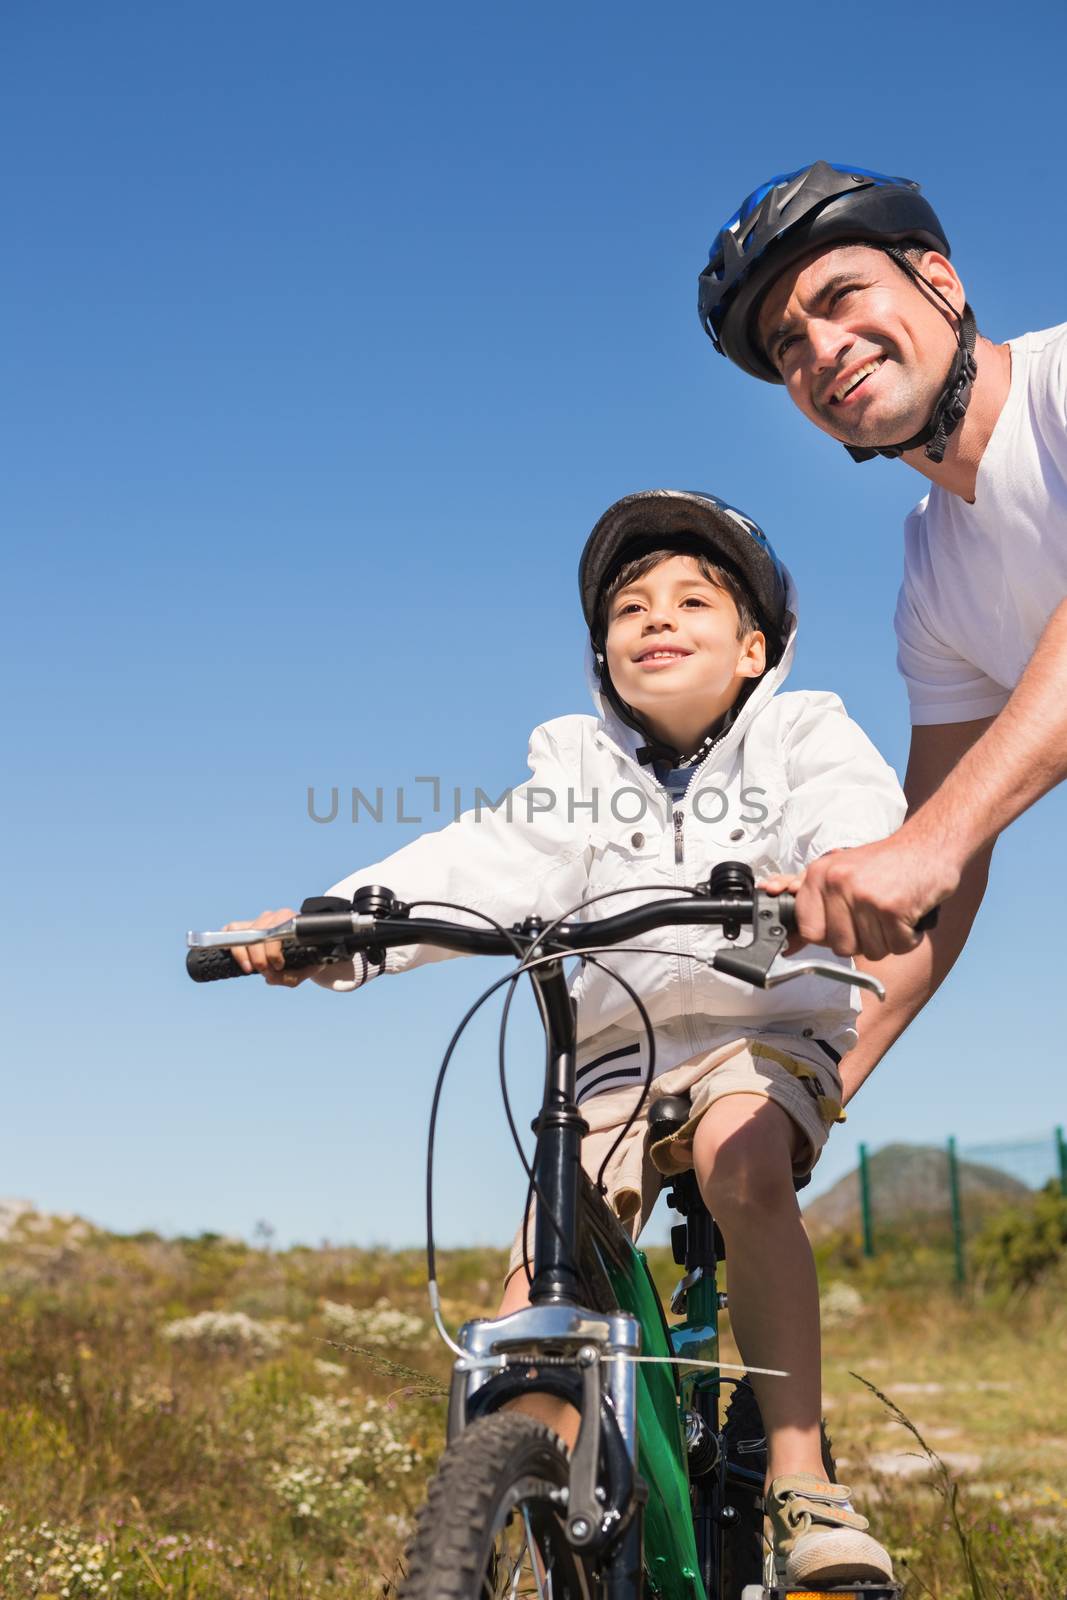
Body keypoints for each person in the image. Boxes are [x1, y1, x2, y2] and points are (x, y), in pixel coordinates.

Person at [225, 488, 905, 1586]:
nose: (654, 617)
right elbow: (480, 861)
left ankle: (797, 1468)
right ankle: (530, 1465)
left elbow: (851, 809)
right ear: (601, 654)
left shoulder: (800, 732)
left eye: (691, 599)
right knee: (545, 1251)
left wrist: (851, 871)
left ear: (753, 649)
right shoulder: (579, 771)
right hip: (614, 1057)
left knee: (741, 1158)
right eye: (628, 606)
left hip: (760, 1028)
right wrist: (330, 919)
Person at [698, 160, 1067, 1102]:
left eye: (841, 294)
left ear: (938, 281)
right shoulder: (933, 573)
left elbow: (934, 846)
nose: (819, 348)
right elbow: (936, 886)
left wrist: (925, 846)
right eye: (786, 343)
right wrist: (800, 1093)